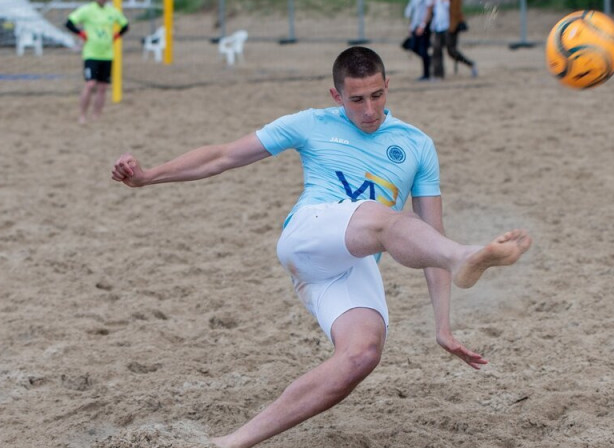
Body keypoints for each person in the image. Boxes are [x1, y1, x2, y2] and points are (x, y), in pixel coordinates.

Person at [111, 46, 531, 448]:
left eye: (377, 95)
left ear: (388, 84)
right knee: (388, 218)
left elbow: (431, 239)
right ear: (336, 95)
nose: (369, 110)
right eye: (356, 99)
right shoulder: (310, 123)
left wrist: (443, 327)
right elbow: (222, 156)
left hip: (351, 260)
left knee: (362, 354)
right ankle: (466, 254)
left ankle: (230, 441)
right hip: (311, 233)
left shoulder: (417, 145)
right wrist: (148, 176)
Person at [65, 0, 129, 124]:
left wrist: (116, 36)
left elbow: (125, 26)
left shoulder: (112, 11)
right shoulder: (87, 10)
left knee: (103, 87)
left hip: (107, 55)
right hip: (91, 54)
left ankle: (96, 116)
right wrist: (80, 33)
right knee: (90, 84)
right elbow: (69, 23)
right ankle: (82, 115)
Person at [447, 0, 477, 77]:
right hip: (443, 25)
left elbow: (456, 11)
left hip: (451, 26)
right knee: (448, 50)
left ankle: (471, 64)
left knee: (451, 50)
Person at [405, 0, 432, 81]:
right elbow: (412, 13)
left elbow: (429, 10)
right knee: (413, 47)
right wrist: (410, 27)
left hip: (423, 26)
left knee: (423, 49)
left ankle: (426, 74)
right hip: (415, 25)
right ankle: (429, 60)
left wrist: (423, 26)